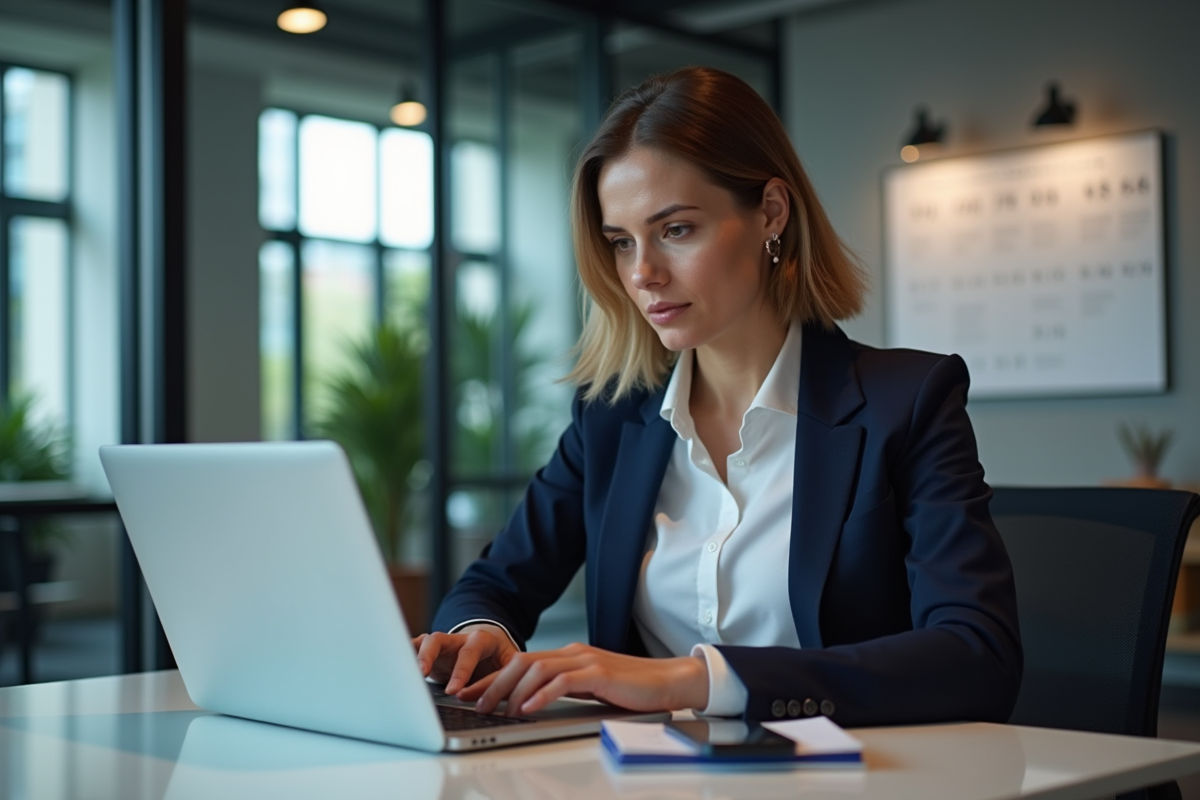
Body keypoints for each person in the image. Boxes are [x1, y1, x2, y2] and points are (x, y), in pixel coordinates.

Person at [414, 66, 1022, 727]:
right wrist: (479, 633)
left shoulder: (906, 403)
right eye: (621, 242)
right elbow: (494, 584)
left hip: (852, 771)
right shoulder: (612, 417)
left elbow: (976, 657)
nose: (643, 273)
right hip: (640, 772)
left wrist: (694, 680)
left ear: (770, 213)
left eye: (676, 230)